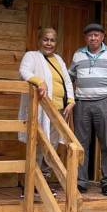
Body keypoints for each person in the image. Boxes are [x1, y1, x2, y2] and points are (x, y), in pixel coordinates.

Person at [69, 22, 107, 196]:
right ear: (85, 38)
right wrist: (69, 99)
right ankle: (81, 182)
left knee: (106, 144)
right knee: (81, 144)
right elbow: (69, 77)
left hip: (105, 102)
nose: (93, 38)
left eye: (96, 35)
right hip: (81, 104)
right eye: (90, 35)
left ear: (102, 37)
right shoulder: (78, 54)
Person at [18, 27, 75, 183]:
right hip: (42, 110)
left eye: (52, 40)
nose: (49, 43)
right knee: (38, 145)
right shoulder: (31, 56)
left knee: (52, 147)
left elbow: (66, 80)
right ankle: (31, 185)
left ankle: (45, 182)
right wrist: (39, 81)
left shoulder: (59, 59)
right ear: (39, 40)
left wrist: (71, 100)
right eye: (45, 39)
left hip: (59, 111)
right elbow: (24, 71)